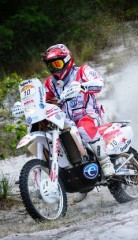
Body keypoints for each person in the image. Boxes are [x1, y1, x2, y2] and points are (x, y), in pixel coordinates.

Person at [42, 44, 115, 177]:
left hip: (88, 113)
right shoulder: (49, 83)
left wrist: (82, 86)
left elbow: (99, 83)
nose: (54, 69)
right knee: (49, 135)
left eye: (57, 64)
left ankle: (105, 162)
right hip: (65, 119)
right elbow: (42, 98)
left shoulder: (82, 71)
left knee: (83, 127)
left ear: (67, 61)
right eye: (50, 66)